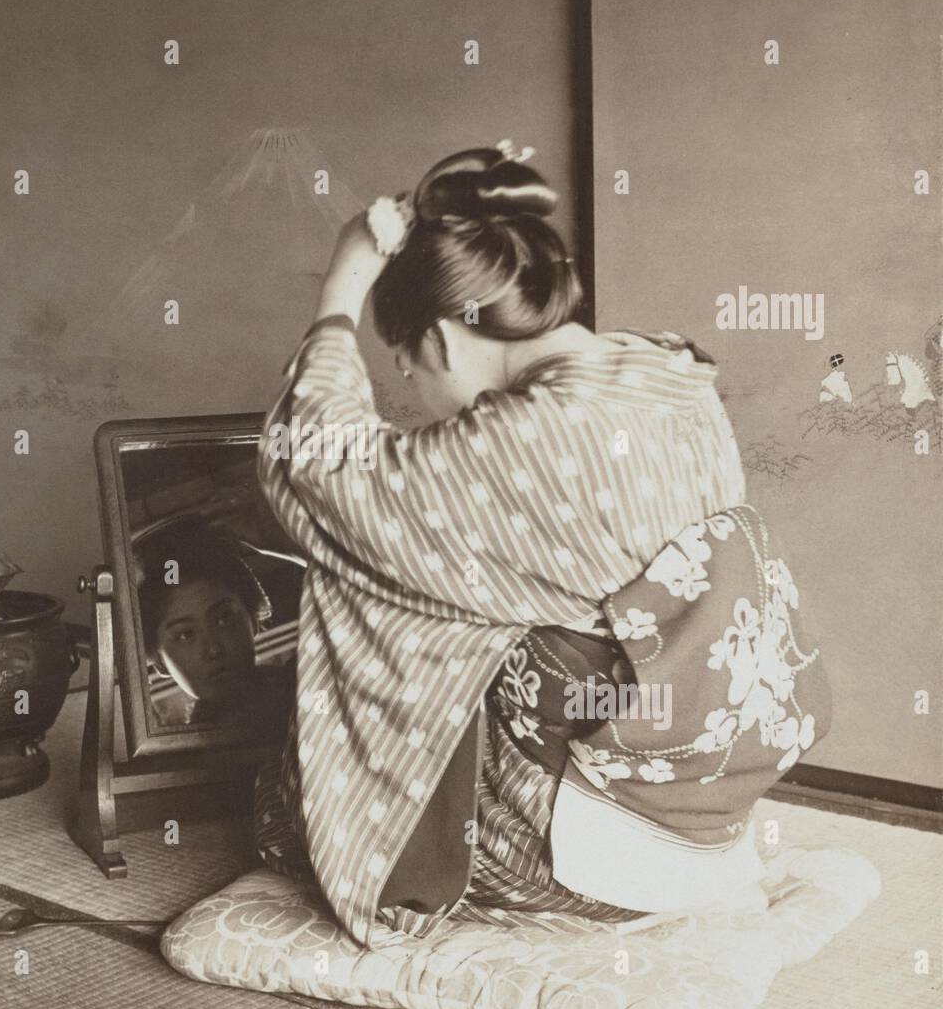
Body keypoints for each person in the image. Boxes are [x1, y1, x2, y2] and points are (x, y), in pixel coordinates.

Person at [254, 142, 828, 948]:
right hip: (708, 808)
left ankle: (428, 865)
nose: (416, 395)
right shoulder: (667, 372)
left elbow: (313, 472)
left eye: (410, 369)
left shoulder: (522, 438)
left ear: (444, 341)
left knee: (365, 594)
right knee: (445, 579)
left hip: (596, 861)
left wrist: (345, 279)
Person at [134, 514, 295, 735]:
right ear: (158, 661)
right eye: (185, 635)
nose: (214, 649)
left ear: (253, 619)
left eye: (223, 619)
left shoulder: (307, 682)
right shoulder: (186, 761)